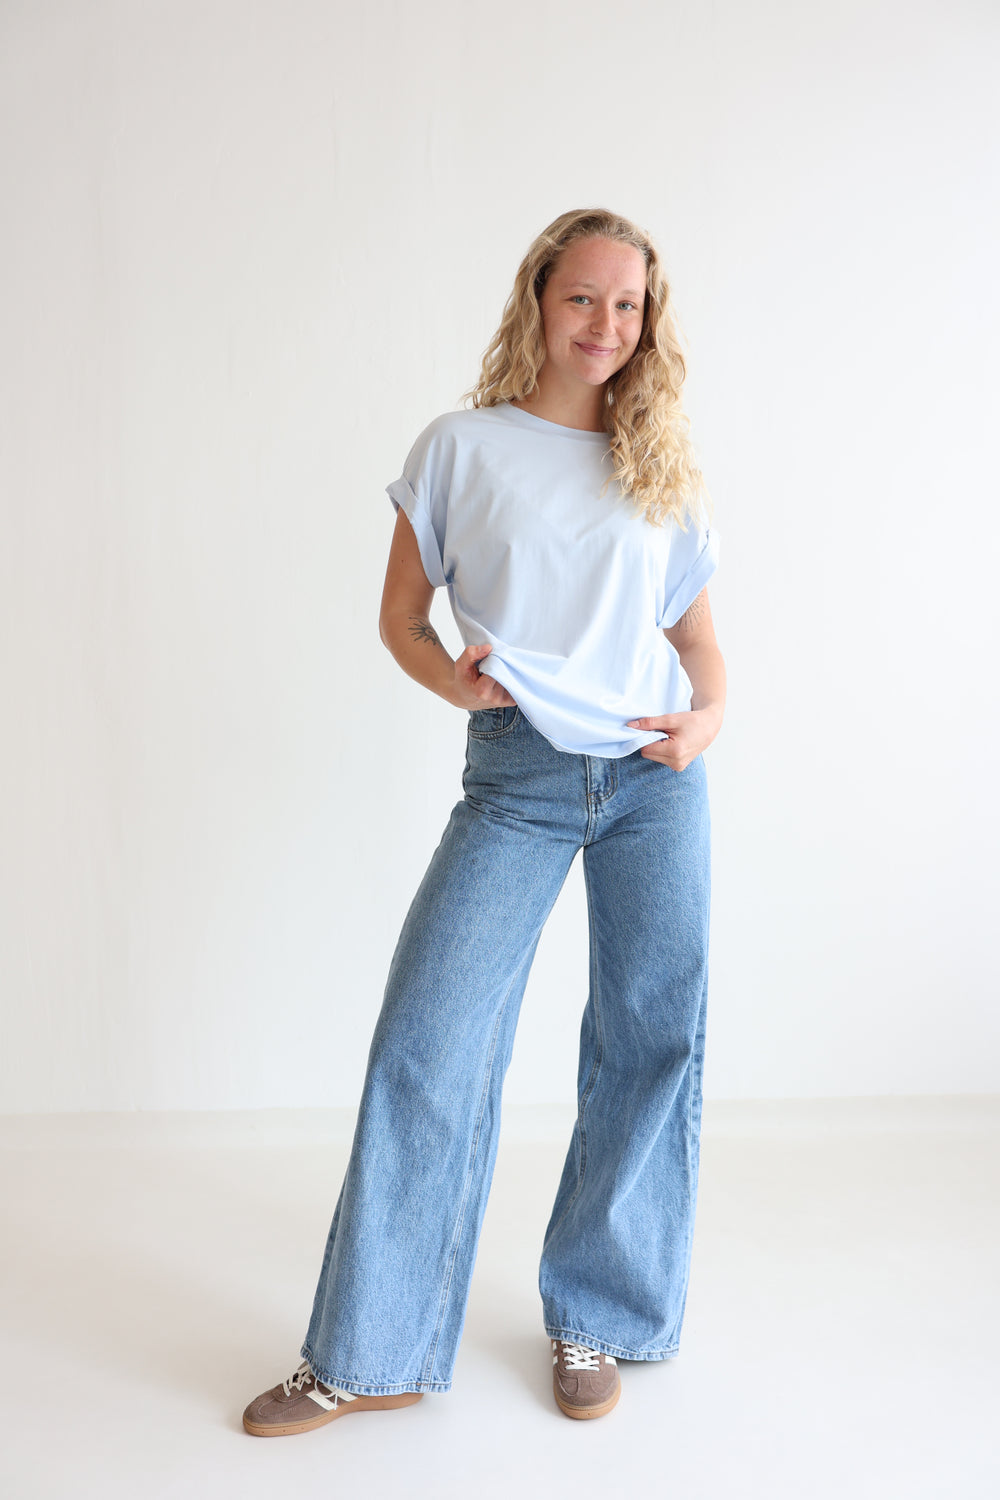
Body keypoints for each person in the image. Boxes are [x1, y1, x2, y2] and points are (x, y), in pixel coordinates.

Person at [243, 207, 726, 1436]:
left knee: (650, 1039)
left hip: (654, 778)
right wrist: (452, 682)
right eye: (583, 298)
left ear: (648, 322)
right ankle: (372, 1353)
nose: (605, 324)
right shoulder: (460, 447)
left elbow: (698, 642)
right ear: (538, 301)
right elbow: (404, 619)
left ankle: (601, 1317)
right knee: (429, 1040)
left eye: (628, 305)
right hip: (518, 774)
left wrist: (708, 718)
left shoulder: (658, 458)